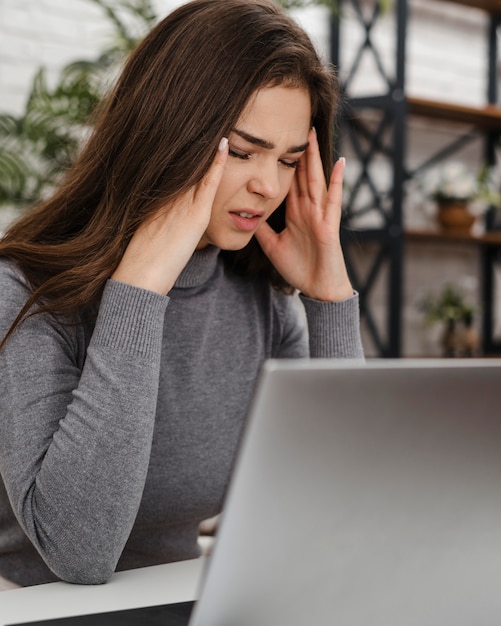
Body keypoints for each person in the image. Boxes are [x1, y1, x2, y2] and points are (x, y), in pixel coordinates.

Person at [0, 0, 364, 588]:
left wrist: (329, 300)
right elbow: (78, 552)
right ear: (168, 136)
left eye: (289, 160)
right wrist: (139, 289)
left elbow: (346, 509)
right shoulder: (26, 286)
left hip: (183, 597)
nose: (267, 186)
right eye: (242, 153)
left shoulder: (261, 300)